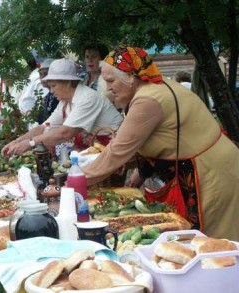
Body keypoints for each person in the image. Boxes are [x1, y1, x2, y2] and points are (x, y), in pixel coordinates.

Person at [82, 46, 239, 241]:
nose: (108, 88)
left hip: (211, 173)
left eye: (110, 81)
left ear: (131, 77)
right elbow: (160, 136)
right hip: (209, 166)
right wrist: (142, 171)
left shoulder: (147, 100)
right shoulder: (152, 88)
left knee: (211, 242)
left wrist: (77, 181)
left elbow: (117, 152)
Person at [2, 58, 123, 156]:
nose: (51, 90)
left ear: (68, 82)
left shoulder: (87, 98)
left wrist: (31, 143)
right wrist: (16, 142)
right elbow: (43, 128)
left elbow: (65, 133)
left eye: (54, 85)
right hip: (97, 154)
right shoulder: (65, 102)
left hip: (114, 152)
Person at [38, 58, 59, 123]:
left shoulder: (60, 95)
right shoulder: (46, 97)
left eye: (45, 74)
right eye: (40, 74)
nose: (42, 77)